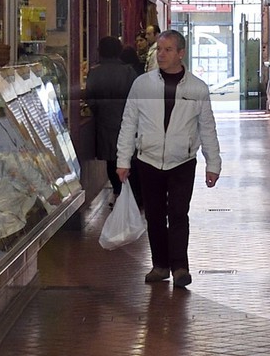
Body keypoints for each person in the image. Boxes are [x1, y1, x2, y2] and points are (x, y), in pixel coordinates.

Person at [115, 29, 221, 286]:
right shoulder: (143, 84)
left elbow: (207, 127)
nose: (161, 54)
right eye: (160, 49)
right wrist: (123, 159)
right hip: (148, 160)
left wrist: (213, 163)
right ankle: (160, 265)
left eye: (168, 50)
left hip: (182, 161)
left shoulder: (197, 88)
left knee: (178, 213)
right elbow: (129, 121)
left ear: (181, 54)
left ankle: (180, 267)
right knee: (154, 214)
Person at [83, 35, 141, 195]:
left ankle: (118, 191)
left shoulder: (94, 73)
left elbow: (90, 99)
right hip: (128, 122)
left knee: (111, 159)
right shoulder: (128, 72)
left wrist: (100, 111)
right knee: (130, 158)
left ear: (100, 52)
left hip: (105, 123)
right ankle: (132, 196)